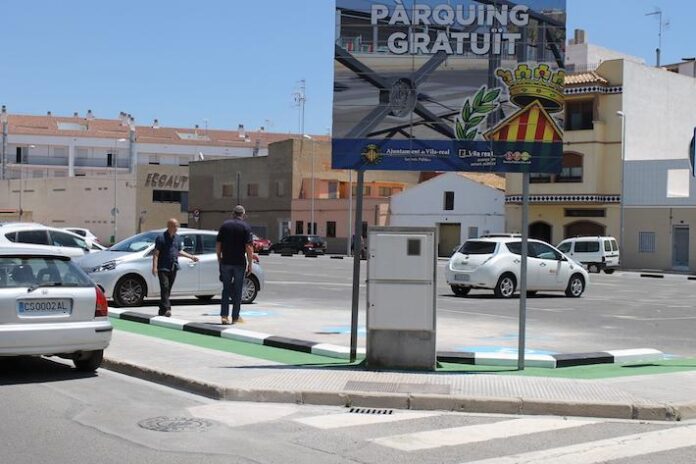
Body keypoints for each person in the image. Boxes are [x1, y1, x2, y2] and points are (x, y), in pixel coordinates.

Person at [151, 218, 199, 317]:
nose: (177, 228)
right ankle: (167, 309)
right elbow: (156, 254)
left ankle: (162, 309)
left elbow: (179, 251)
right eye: (175, 226)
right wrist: (154, 267)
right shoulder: (161, 238)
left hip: (173, 266)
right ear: (169, 226)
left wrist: (191, 257)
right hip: (163, 267)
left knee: (168, 289)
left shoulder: (177, 238)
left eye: (177, 226)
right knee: (164, 287)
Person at [216, 205, 254, 325]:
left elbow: (218, 244)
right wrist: (250, 263)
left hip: (226, 261)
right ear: (243, 214)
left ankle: (224, 316)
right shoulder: (246, 227)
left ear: (233, 213)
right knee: (238, 290)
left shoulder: (224, 226)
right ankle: (235, 317)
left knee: (226, 289)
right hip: (239, 263)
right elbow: (248, 247)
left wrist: (219, 258)